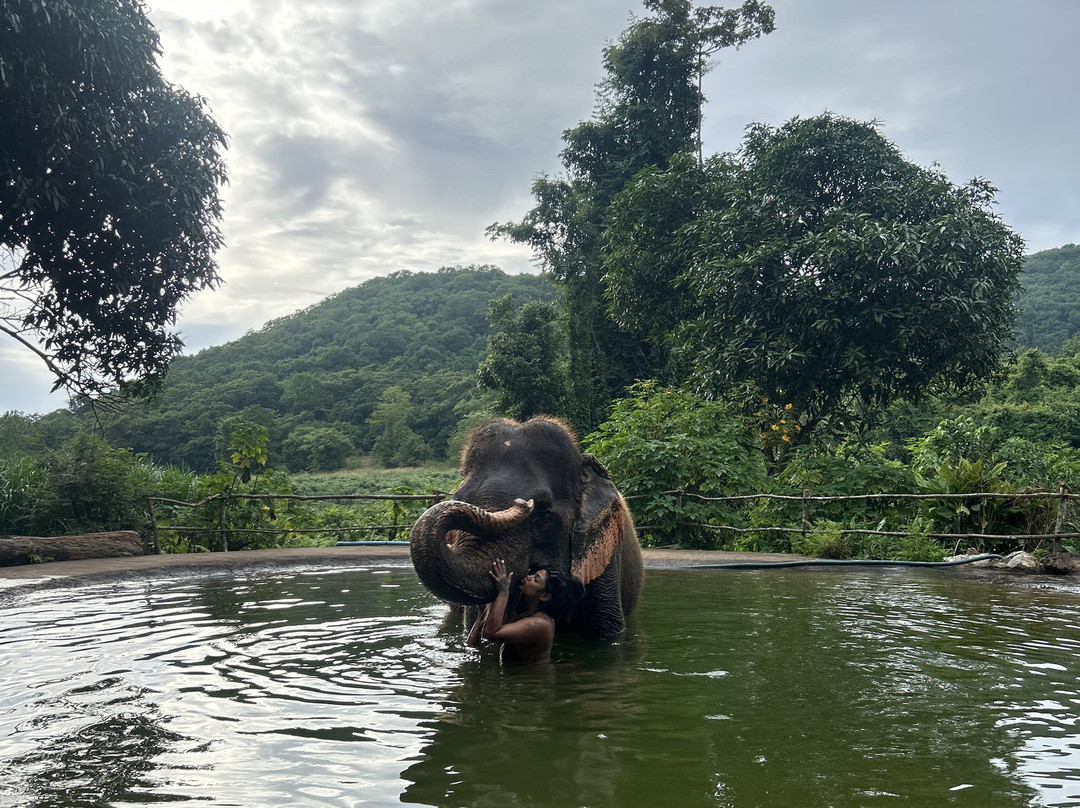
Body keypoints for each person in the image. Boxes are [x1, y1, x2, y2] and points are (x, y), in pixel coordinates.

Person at [479, 559, 584, 663]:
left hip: (533, 679)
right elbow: (476, 642)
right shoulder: (528, 615)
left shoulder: (538, 624)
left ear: (544, 596)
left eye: (535, 579)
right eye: (533, 575)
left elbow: (490, 633)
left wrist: (503, 592)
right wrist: (481, 614)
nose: (528, 577)